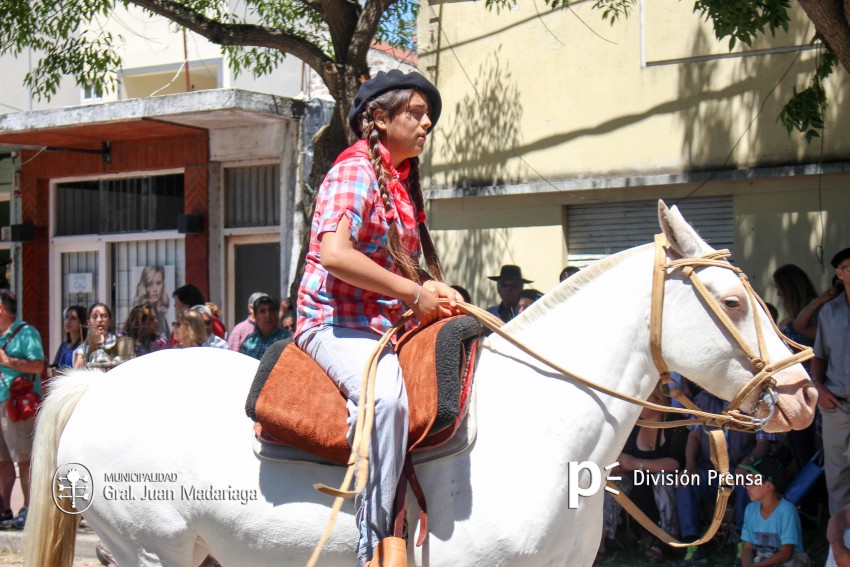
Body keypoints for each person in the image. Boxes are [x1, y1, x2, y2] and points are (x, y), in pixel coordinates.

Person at [294, 69, 460, 566]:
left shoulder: (401, 186)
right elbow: (337, 255)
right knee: (387, 400)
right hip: (332, 322)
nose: (427, 123)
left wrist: (430, 287)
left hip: (382, 327)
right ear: (380, 119)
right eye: (415, 113)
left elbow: (392, 269)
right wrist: (413, 292)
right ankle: (376, 547)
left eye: (428, 115)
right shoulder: (353, 170)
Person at [676, 388, 780, 566]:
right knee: (687, 484)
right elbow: (693, 437)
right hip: (710, 468)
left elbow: (763, 443)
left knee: (749, 484)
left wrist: (746, 464)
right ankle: (693, 544)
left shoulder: (757, 400)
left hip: (739, 467)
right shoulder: (703, 400)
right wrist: (690, 466)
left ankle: (743, 543)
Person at [601, 384, 687, 559]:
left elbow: (674, 464)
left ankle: (668, 538)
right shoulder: (633, 424)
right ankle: (602, 539)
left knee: (662, 478)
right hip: (636, 483)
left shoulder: (674, 424)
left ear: (658, 400)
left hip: (668, 483)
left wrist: (637, 463)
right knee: (613, 482)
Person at [0, 289, 45, 530]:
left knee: (25, 459)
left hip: (18, 405)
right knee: (2, 461)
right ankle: (5, 509)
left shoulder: (26, 333)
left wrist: (8, 362)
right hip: (0, 403)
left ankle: (29, 509)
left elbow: (38, 366)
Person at [811, 247, 850, 515]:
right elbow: (819, 355)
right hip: (837, 405)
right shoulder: (829, 312)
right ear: (840, 273)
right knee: (837, 478)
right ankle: (840, 547)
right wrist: (818, 387)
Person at [739, 456, 809, 567]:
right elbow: (747, 547)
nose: (747, 486)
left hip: (788, 561)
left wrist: (757, 566)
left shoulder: (786, 510)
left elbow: (786, 553)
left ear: (768, 485)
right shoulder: (750, 509)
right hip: (761, 560)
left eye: (753, 482)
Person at [239, 296, 291, 360]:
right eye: (262, 311)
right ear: (255, 317)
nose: (268, 315)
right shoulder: (249, 342)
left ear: (277, 314)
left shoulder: (288, 339)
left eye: (271, 310)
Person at [132, 266, 170, 340]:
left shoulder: (162, 318)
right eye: (150, 284)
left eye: (158, 283)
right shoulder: (138, 314)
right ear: (145, 286)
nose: (155, 289)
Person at [73, 303, 117, 368]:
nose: (99, 320)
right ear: (89, 323)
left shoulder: (120, 343)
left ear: (110, 321)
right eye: (94, 317)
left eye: (104, 316)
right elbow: (77, 372)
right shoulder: (82, 350)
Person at [49, 305, 87, 376]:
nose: (68, 321)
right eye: (66, 317)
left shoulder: (84, 347)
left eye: (73, 318)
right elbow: (55, 366)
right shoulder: (63, 346)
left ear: (81, 322)